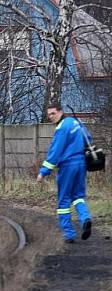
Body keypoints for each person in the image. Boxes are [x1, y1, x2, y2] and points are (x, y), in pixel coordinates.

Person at [36, 103, 93, 243]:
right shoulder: (76, 122)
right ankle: (85, 218)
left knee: (63, 199)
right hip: (82, 163)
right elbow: (89, 139)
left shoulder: (62, 128)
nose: (50, 117)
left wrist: (43, 171)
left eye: (53, 113)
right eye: (49, 114)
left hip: (67, 166)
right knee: (78, 195)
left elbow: (55, 152)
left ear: (61, 112)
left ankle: (68, 234)